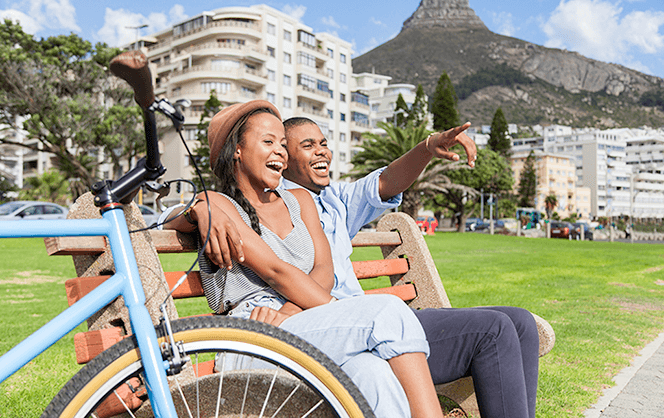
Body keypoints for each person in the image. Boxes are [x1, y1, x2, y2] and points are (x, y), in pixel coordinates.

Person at [166, 113, 540, 418]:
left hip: (318, 324)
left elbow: (324, 272)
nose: (279, 151)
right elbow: (268, 267)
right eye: (270, 143)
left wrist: (311, 310)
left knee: (373, 374)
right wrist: (203, 203)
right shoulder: (223, 208)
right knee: (386, 312)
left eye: (282, 143)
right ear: (236, 151)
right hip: (255, 337)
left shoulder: (304, 201)